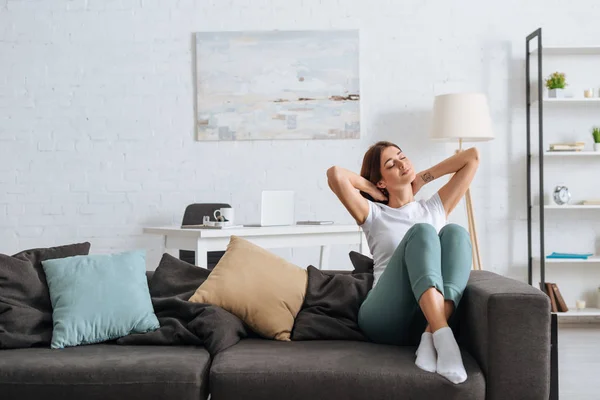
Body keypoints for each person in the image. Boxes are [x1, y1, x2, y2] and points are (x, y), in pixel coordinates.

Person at [326, 140, 479, 384]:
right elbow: (335, 174)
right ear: (381, 181)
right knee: (422, 233)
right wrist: (377, 193)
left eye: (402, 156)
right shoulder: (374, 214)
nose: (401, 163)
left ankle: (433, 335)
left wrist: (421, 179)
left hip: (424, 316)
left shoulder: (434, 208)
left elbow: (471, 157)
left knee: (457, 233)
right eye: (390, 164)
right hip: (385, 317)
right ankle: (445, 338)